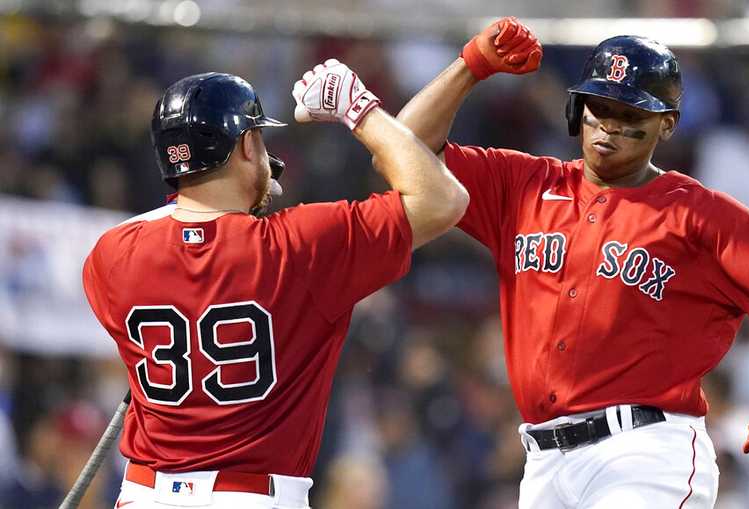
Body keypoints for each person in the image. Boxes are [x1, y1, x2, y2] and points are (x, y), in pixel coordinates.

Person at [395, 18, 749, 508]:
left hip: (645, 452)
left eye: (629, 113)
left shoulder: (697, 213)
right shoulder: (523, 186)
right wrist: (471, 64)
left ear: (666, 123)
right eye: (598, 107)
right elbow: (402, 149)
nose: (608, 125)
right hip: (543, 461)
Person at [82, 59, 468, 508]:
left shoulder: (112, 255)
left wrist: (229, 201)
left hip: (144, 495)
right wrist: (358, 109)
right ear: (247, 144)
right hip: (251, 497)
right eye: (259, 138)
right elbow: (444, 199)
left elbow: (183, 232)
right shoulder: (299, 244)